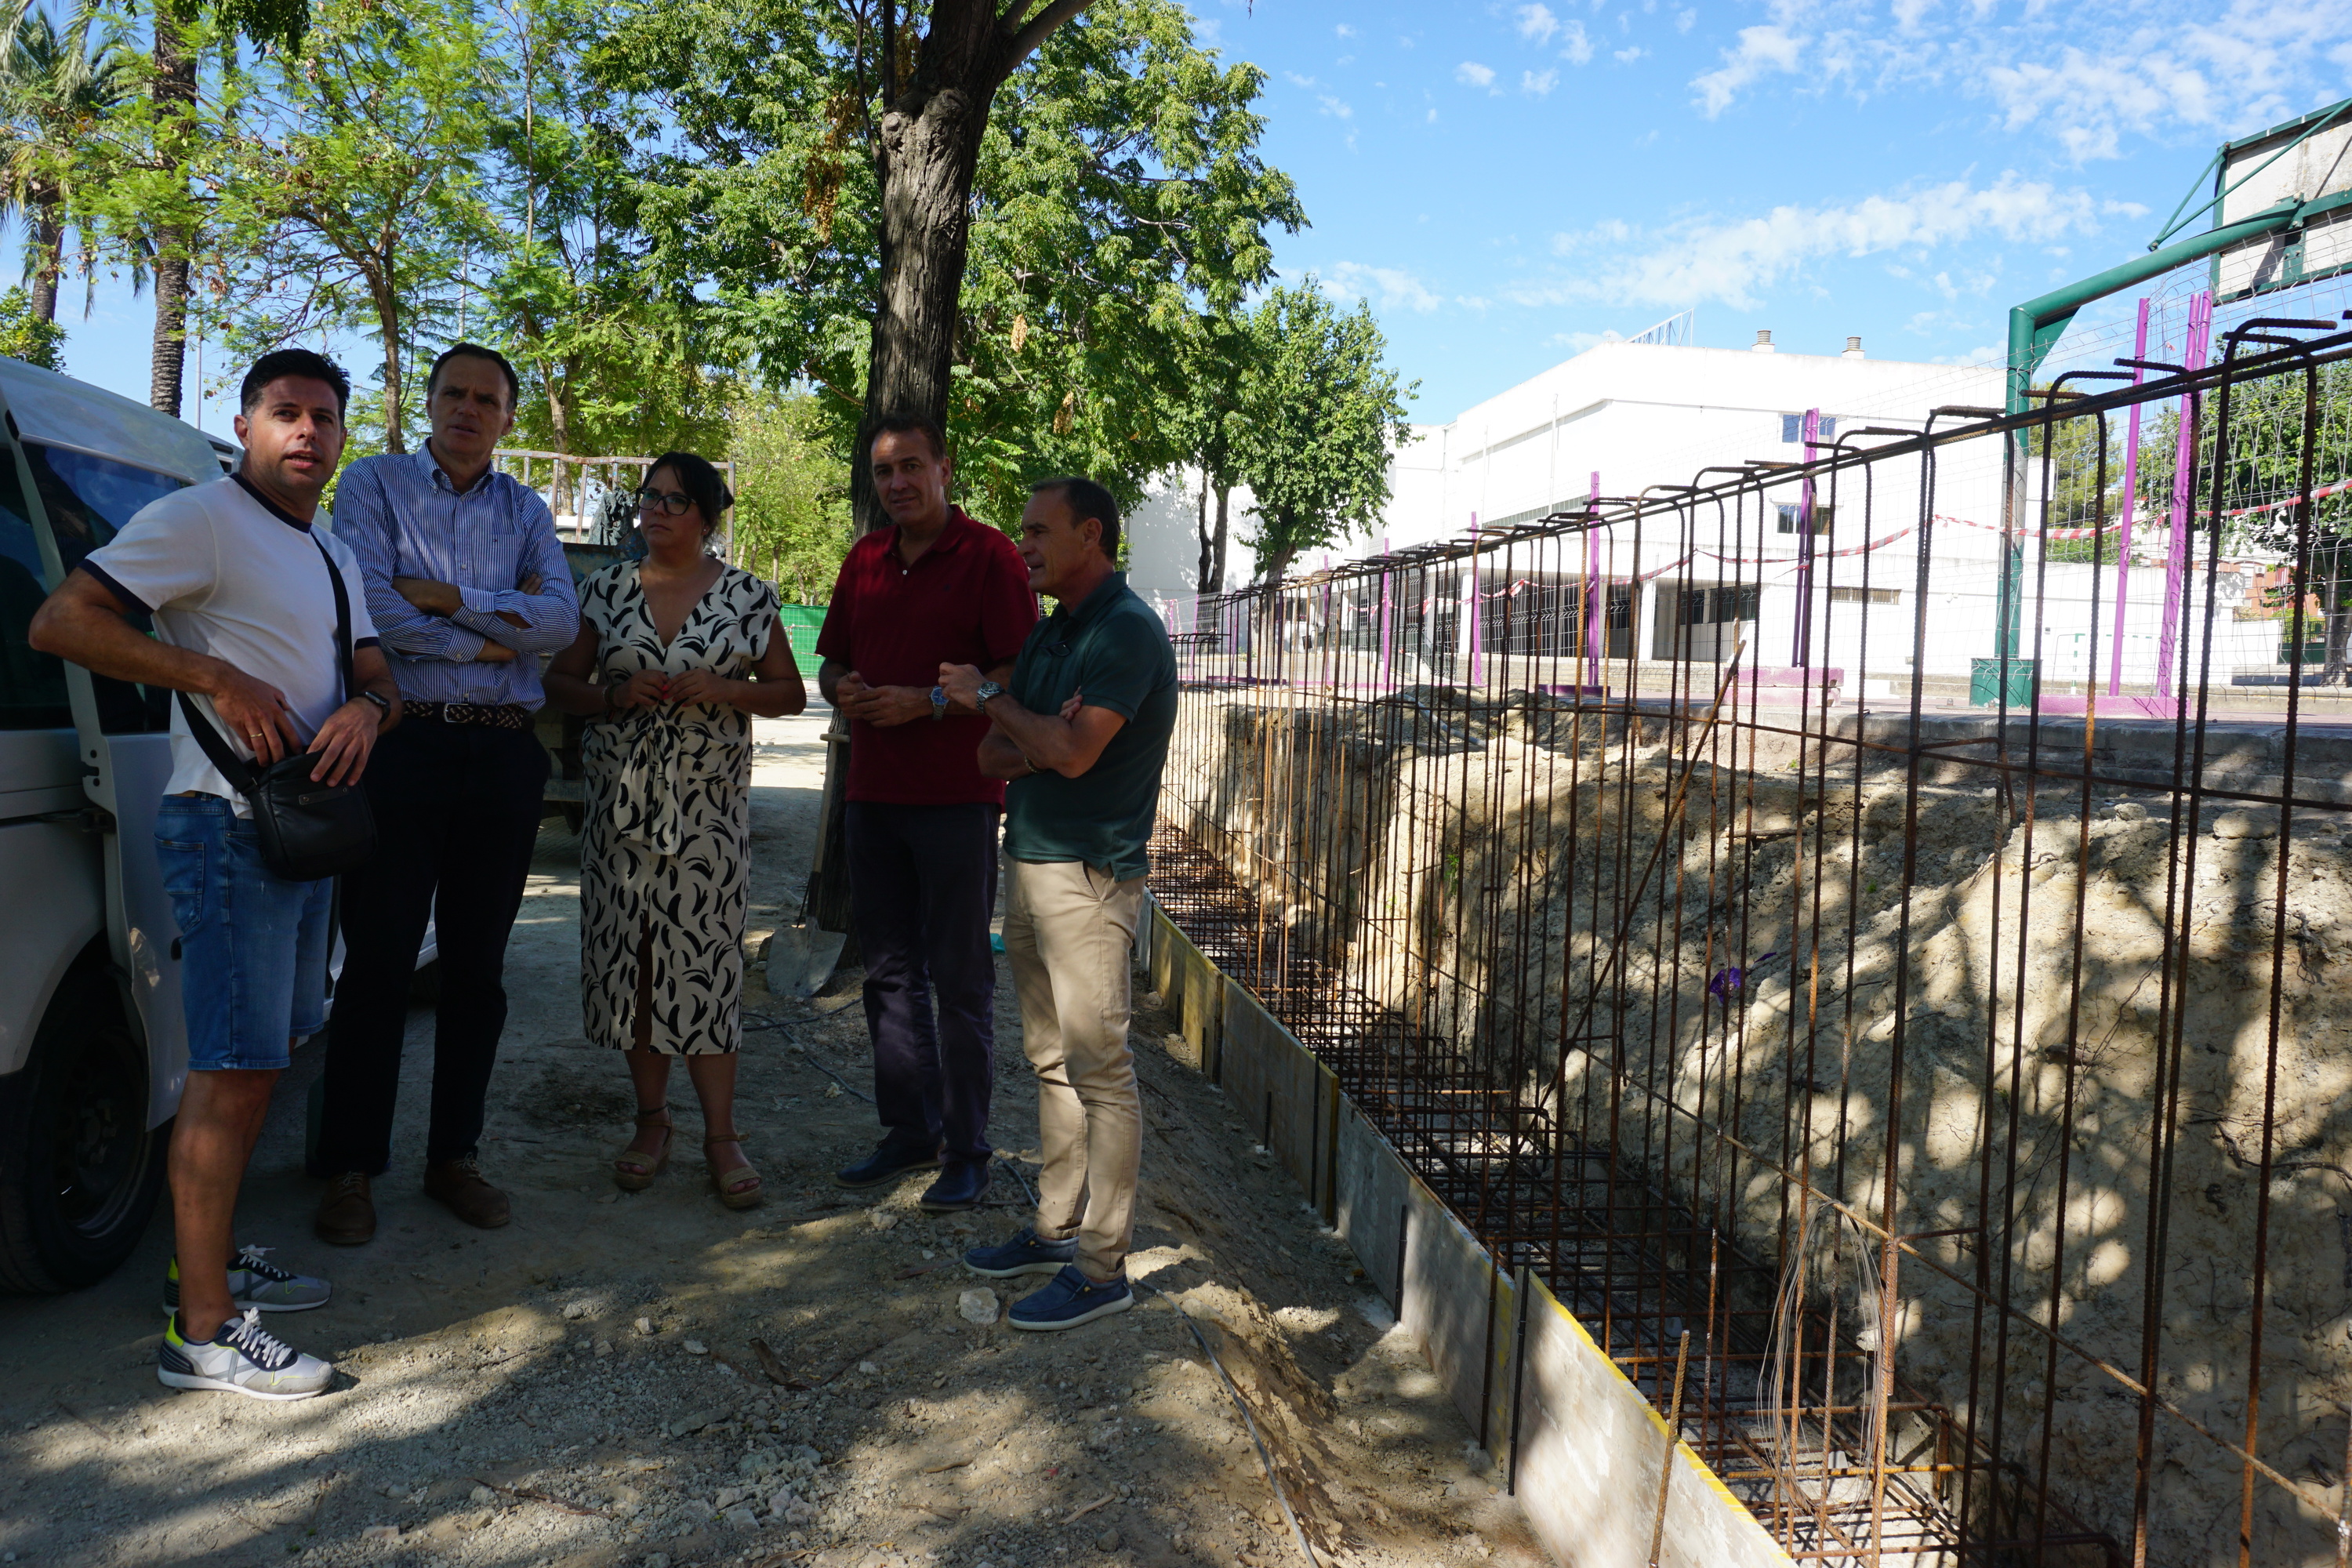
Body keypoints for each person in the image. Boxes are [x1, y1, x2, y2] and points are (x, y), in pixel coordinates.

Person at [27, 349, 401, 1396]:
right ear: (242, 426)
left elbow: (373, 667)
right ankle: (201, 1336)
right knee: (229, 1073)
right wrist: (210, 671)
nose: (308, 434)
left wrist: (371, 707)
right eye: (285, 413)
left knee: (264, 1063)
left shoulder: (329, 549)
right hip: (224, 827)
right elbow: (62, 620)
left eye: (326, 418)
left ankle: (213, 1261)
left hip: (302, 835)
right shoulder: (198, 520)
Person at [308, 343, 581, 1244]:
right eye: (453, 393)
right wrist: (495, 632)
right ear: (429, 404)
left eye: (487, 398)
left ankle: (453, 1157)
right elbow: (375, 608)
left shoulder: (526, 507)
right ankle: (350, 1166)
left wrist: (447, 597)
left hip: (503, 759)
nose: (468, 409)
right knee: (379, 963)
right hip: (404, 746)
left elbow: (561, 622)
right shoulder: (376, 486)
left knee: (477, 972)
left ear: (508, 417)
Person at [943, 477, 1177, 1330]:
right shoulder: (1053, 634)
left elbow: (1067, 752)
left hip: (1089, 878)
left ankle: (1102, 1266)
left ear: (1091, 534)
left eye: (1039, 532)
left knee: (1100, 1072)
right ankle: (1055, 1225)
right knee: (1050, 1061)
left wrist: (1007, 707)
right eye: (1021, 531)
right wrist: (1038, 730)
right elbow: (990, 758)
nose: (1025, 545)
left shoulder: (1125, 632)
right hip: (1033, 863)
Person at [543, 453, 806, 1205]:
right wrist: (616, 693)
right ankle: (651, 1121)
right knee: (635, 969)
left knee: (707, 971)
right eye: (648, 497)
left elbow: (788, 693)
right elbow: (558, 683)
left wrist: (725, 688)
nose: (654, 510)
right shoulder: (605, 590)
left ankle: (721, 1136)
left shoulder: (750, 596)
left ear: (706, 515)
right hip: (622, 817)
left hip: (707, 820)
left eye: (674, 500)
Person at [815, 414, 1036, 1210]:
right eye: (884, 472)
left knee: (963, 979)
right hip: (872, 795)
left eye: (912, 466)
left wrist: (932, 701)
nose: (899, 483)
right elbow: (832, 660)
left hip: (958, 799)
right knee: (889, 975)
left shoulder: (989, 557)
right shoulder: (865, 559)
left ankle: (969, 1148)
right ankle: (910, 1130)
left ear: (945, 467)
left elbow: (1015, 672)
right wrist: (843, 688)